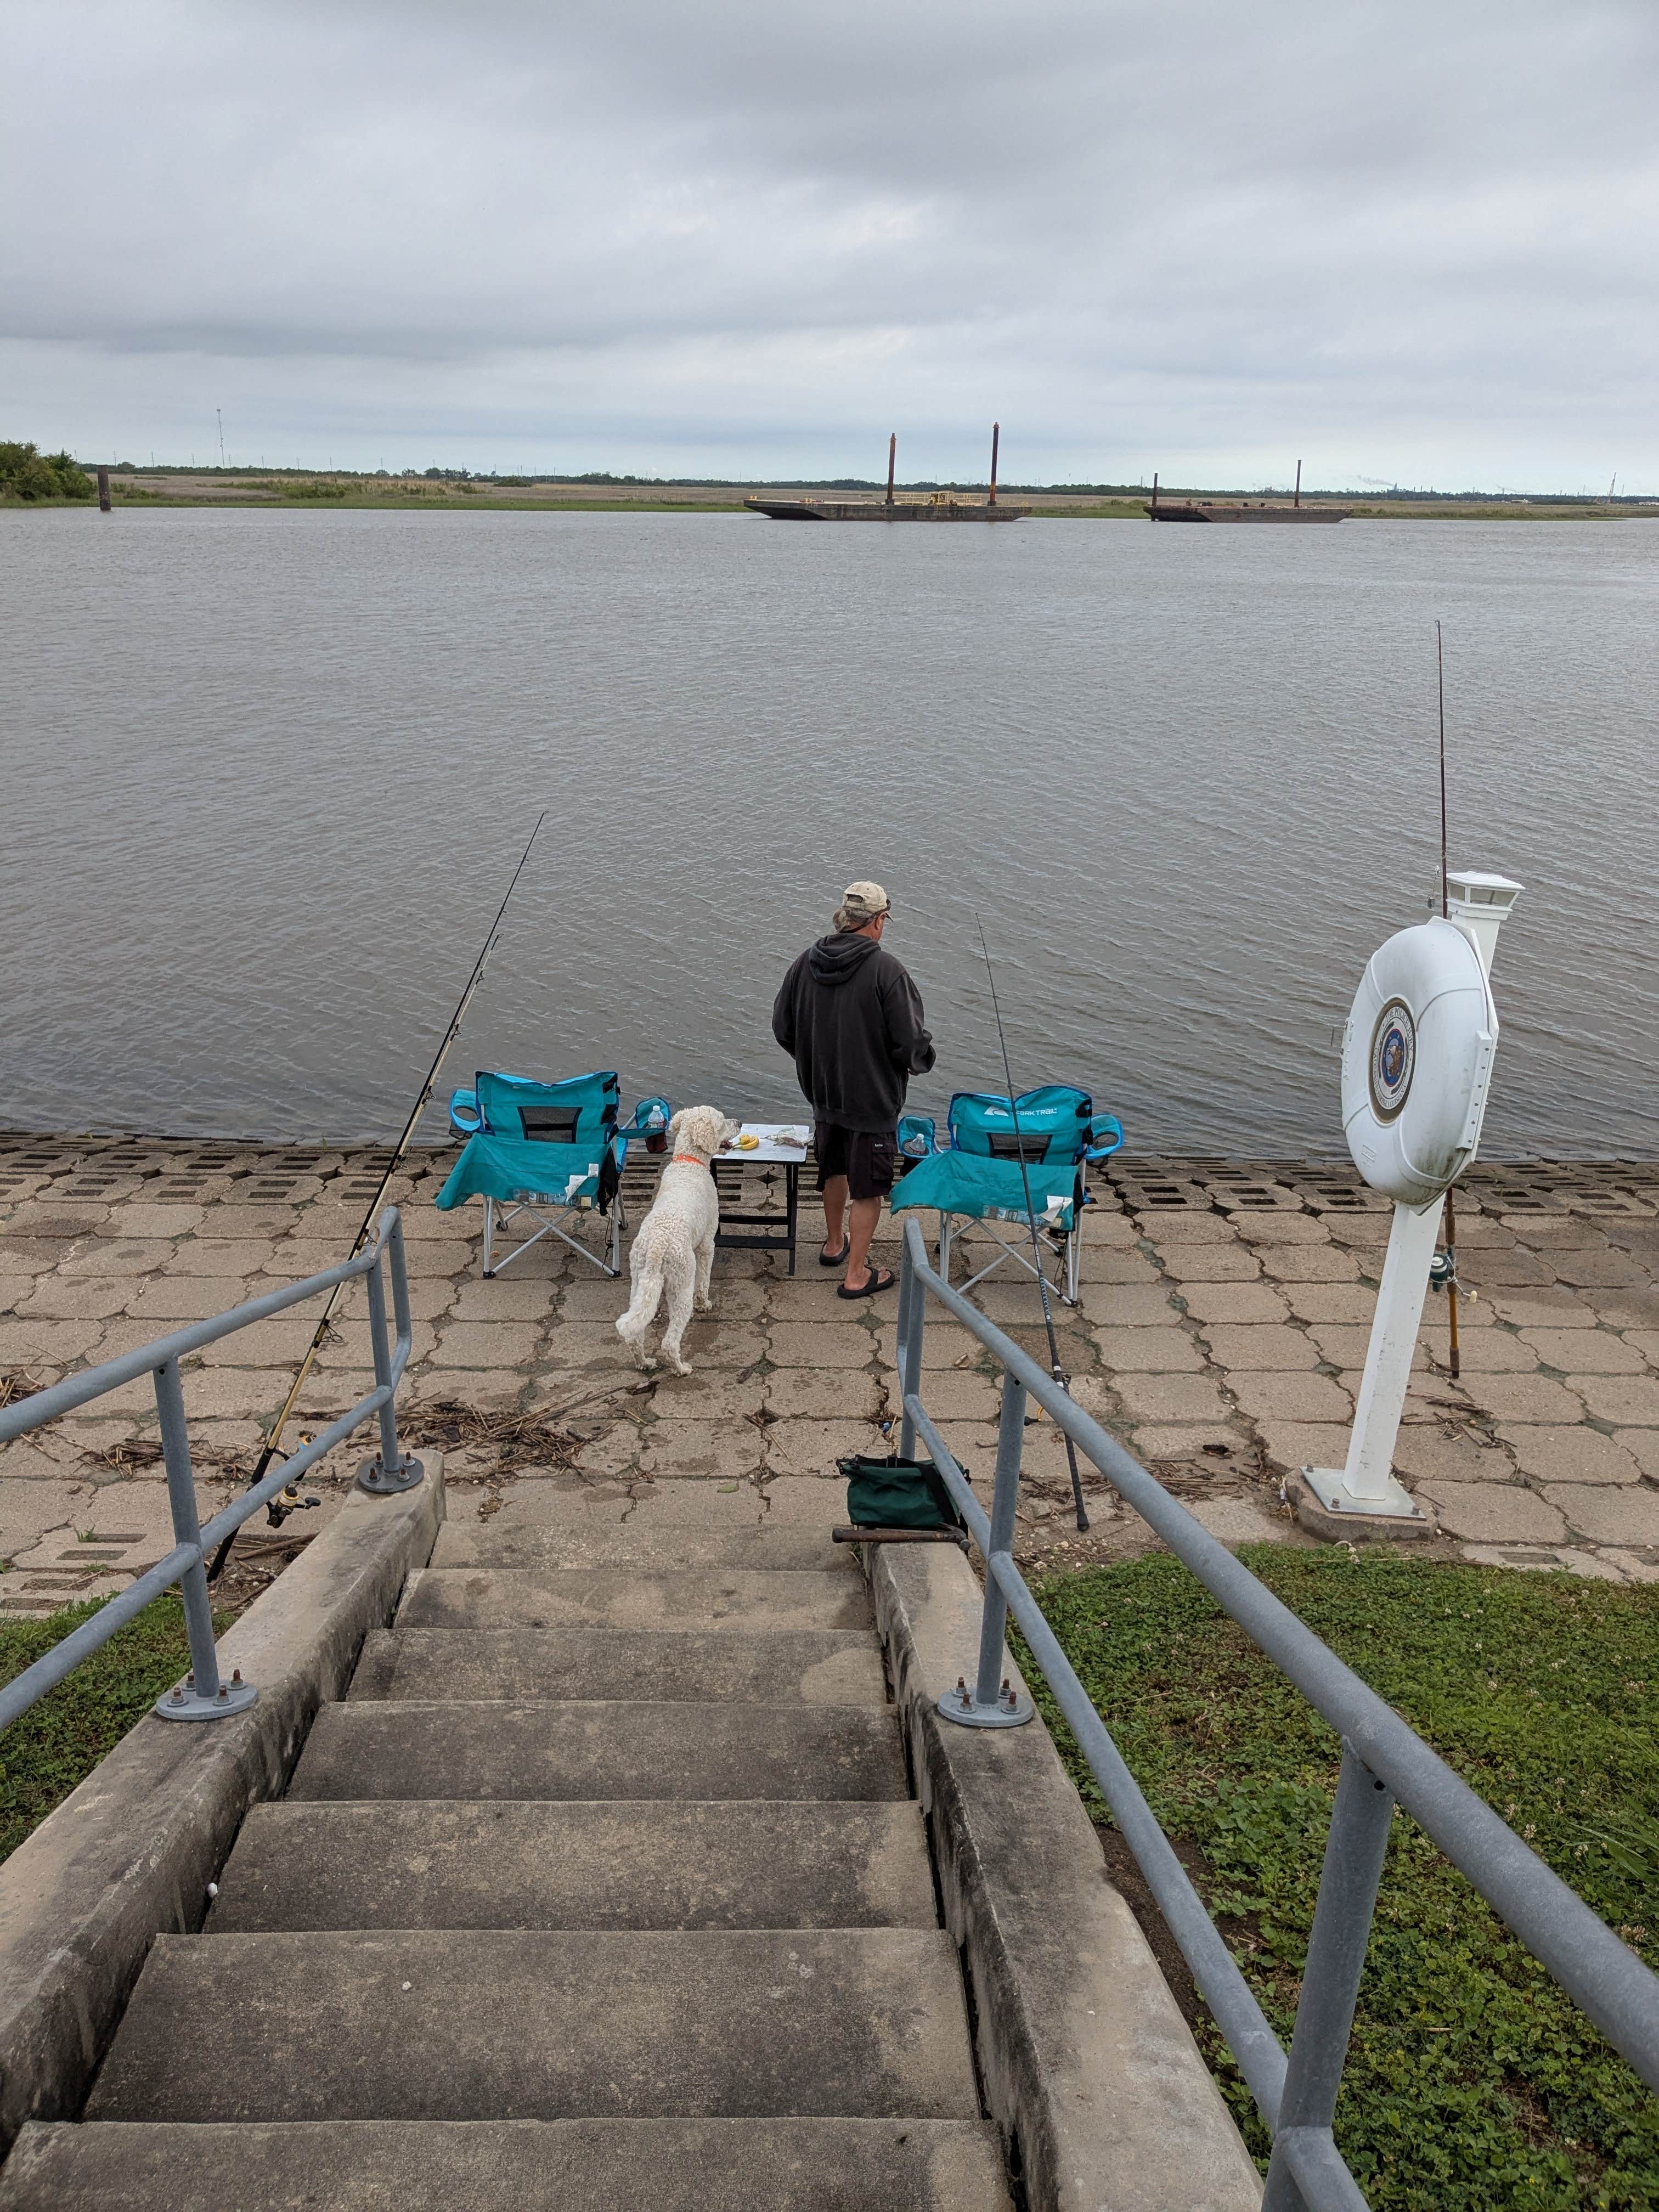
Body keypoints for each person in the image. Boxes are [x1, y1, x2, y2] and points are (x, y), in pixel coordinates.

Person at [772, 881, 935, 1298]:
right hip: (873, 1100)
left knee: (834, 1170)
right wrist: (921, 1060)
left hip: (824, 1094)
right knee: (869, 1189)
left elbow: (782, 1027)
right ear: (878, 921)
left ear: (844, 918)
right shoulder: (887, 970)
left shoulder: (805, 962)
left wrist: (812, 1063)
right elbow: (910, 1041)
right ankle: (856, 1275)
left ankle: (833, 1245)